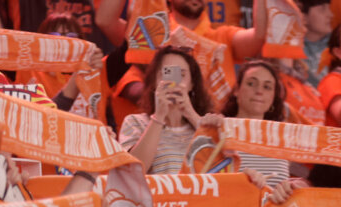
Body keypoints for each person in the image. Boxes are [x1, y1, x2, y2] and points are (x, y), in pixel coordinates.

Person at [120, 46, 213, 175]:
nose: (174, 83)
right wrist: (159, 117)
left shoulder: (203, 124)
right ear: (155, 82)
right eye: (166, 74)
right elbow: (132, 171)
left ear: (192, 84)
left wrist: (191, 114)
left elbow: (221, 161)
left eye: (181, 75)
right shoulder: (135, 122)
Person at [222, 60, 292, 182]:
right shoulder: (219, 129)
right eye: (251, 84)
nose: (259, 91)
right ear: (237, 90)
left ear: (273, 97)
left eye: (267, 87)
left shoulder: (284, 139)